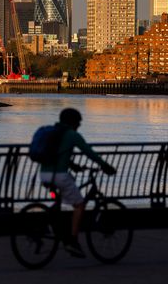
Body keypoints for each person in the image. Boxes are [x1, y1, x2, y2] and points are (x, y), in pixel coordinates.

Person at [39, 108, 116, 258]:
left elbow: (56, 154)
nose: (79, 125)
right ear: (73, 122)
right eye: (78, 122)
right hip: (59, 175)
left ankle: (47, 223)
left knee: (63, 196)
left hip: (44, 174)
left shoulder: (53, 132)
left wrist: (73, 166)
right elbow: (89, 152)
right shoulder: (72, 135)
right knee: (80, 205)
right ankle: (72, 241)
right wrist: (105, 165)